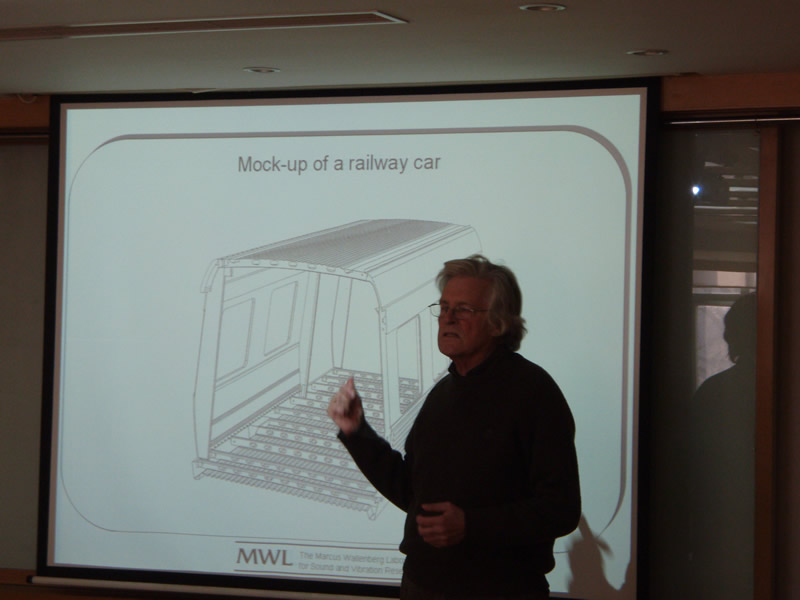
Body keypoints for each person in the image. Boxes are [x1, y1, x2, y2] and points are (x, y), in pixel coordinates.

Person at [328, 255, 581, 599]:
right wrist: (357, 432)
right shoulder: (442, 394)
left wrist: (471, 526)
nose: (447, 318)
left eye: (463, 309)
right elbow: (414, 493)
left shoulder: (533, 392)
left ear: (498, 322)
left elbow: (561, 509)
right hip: (421, 585)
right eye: (444, 307)